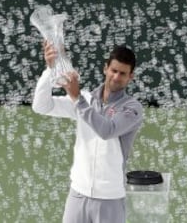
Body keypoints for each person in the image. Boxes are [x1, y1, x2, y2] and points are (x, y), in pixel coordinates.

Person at [32, 41, 143, 223]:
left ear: (131, 77)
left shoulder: (132, 108)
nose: (116, 77)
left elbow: (107, 130)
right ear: (105, 69)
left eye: (122, 73)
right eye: (113, 70)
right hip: (77, 195)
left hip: (110, 200)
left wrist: (76, 98)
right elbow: (41, 106)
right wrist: (49, 70)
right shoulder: (86, 99)